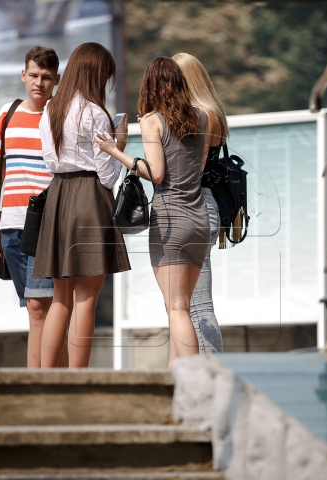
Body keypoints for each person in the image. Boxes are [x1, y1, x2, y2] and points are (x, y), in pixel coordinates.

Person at [97, 57, 209, 367]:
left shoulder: (150, 121)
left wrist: (115, 152)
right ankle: (176, 379)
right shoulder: (202, 118)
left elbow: (157, 174)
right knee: (180, 306)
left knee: (176, 308)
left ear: (149, 85)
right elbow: (196, 168)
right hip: (199, 220)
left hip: (171, 222)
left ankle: (194, 381)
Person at [34, 42, 131, 368]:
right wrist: (119, 145)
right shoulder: (95, 113)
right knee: (86, 299)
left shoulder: (49, 111)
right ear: (97, 73)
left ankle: (46, 377)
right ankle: (78, 377)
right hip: (90, 198)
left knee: (59, 299)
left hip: (58, 197)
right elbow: (107, 176)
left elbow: (50, 161)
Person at [0, 46, 65, 368]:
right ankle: (62, 381)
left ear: (56, 80)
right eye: (33, 75)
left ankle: (38, 388)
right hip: (9, 224)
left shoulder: (60, 114)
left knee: (39, 307)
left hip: (46, 223)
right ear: (23, 75)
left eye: (46, 77)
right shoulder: (8, 113)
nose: (39, 83)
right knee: (40, 307)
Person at [173, 52, 228, 354]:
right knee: (190, 304)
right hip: (206, 205)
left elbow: (186, 167)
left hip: (192, 204)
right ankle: (198, 373)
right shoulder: (211, 112)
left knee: (196, 305)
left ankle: (209, 376)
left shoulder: (199, 115)